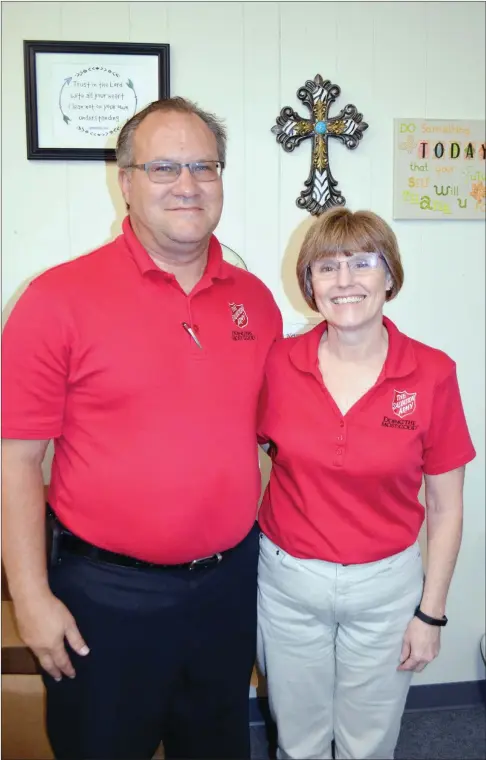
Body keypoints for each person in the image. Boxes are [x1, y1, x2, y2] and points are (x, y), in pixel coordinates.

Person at [1, 96, 282, 760]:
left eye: (204, 166)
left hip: (228, 585)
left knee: (214, 747)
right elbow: (15, 460)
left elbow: (275, 439)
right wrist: (30, 596)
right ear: (124, 181)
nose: (187, 185)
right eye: (162, 167)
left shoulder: (255, 300)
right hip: (106, 597)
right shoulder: (55, 299)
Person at [256, 207, 476, 760]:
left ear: (390, 275)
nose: (346, 280)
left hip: (386, 589)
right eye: (327, 267)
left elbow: (447, 508)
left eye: (362, 262)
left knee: (368, 745)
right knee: (298, 741)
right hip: (288, 584)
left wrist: (431, 612)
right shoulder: (277, 363)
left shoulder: (432, 373)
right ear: (309, 283)